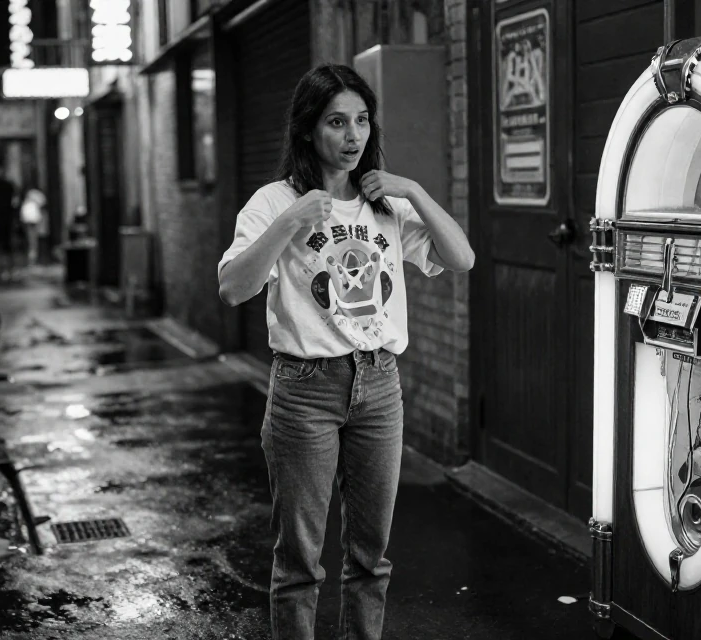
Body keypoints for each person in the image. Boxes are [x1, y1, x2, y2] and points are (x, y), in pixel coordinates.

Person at [217, 64, 475, 640]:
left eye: (361, 120)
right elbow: (234, 287)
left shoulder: (384, 204)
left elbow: (461, 259)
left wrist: (415, 191)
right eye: (337, 122)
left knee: (371, 556)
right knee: (300, 561)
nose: (353, 135)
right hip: (305, 389)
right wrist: (289, 221)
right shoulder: (273, 201)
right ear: (309, 129)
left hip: (379, 384)